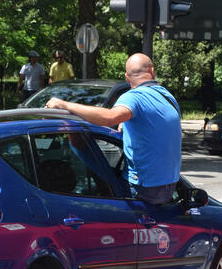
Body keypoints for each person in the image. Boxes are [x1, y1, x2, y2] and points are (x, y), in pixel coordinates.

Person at [45, 53, 181, 205]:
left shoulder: (133, 97)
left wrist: (64, 105)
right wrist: (126, 121)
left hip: (143, 189)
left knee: (78, 142)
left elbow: (109, 117)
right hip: (170, 188)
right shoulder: (168, 97)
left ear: (127, 77)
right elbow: (154, 126)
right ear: (152, 71)